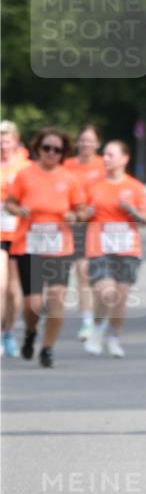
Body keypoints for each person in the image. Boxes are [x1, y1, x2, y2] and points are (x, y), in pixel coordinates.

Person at [4, 127, 86, 367]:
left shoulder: (69, 179)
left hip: (60, 246)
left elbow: (82, 209)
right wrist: (19, 210)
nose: (51, 153)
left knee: (56, 298)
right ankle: (30, 332)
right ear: (37, 149)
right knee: (34, 304)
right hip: (29, 245)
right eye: (46, 148)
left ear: (63, 153)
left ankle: (48, 348)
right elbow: (10, 203)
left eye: (57, 150)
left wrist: (75, 216)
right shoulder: (25, 176)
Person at [81, 140, 146, 358]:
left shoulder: (135, 187)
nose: (106, 158)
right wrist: (85, 213)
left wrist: (131, 211)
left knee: (120, 297)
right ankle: (98, 328)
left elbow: (144, 220)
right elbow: (81, 213)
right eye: (105, 155)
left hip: (128, 248)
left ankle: (114, 336)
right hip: (99, 246)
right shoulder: (94, 187)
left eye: (111, 155)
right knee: (106, 292)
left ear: (124, 158)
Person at [63, 124, 106, 341]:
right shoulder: (68, 165)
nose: (85, 144)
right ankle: (87, 322)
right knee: (82, 272)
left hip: (98, 224)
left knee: (98, 276)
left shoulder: (103, 165)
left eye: (89, 140)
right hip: (73, 223)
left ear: (97, 144)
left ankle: (99, 318)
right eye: (82, 140)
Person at [0, 120, 31, 357]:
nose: (3, 144)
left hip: (20, 233)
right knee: (0, 287)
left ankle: (8, 331)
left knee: (13, 291)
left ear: (16, 141)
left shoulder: (26, 167)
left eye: (7, 139)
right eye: (0, 140)